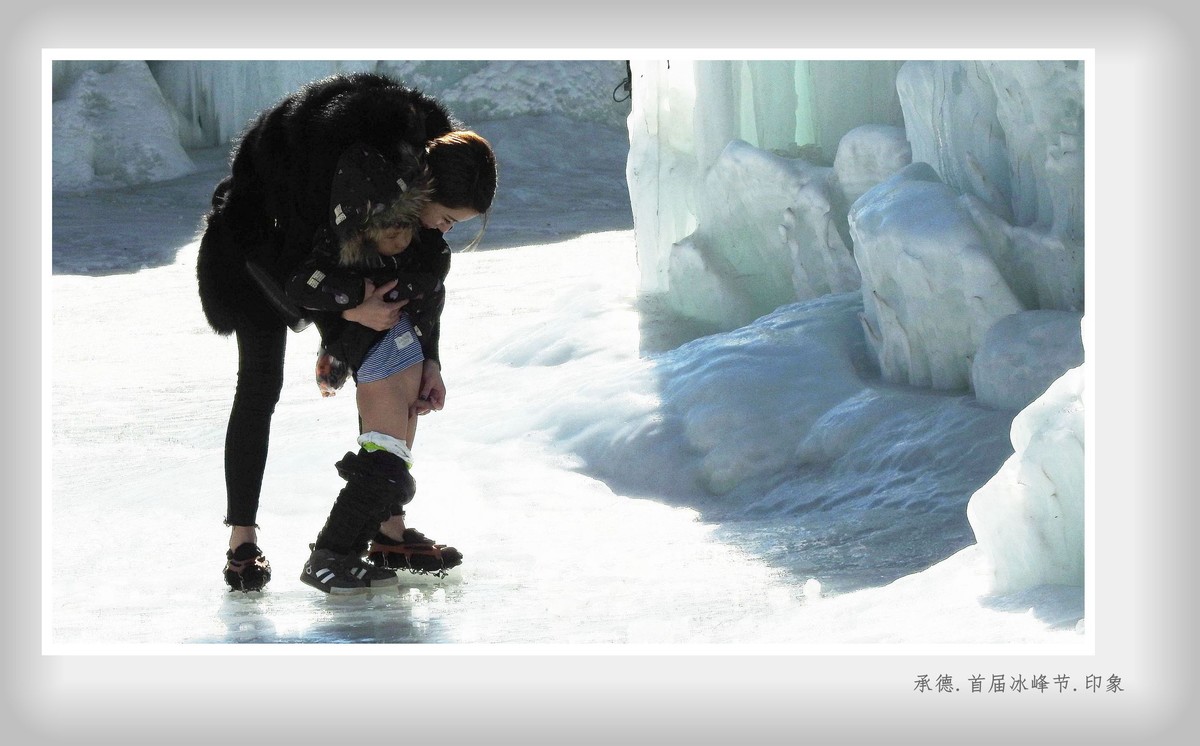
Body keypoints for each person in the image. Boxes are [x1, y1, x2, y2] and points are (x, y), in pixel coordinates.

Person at [196, 72, 496, 593]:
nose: (448, 230)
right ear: (425, 193)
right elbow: (301, 269)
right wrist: (350, 313)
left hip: (322, 263)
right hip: (256, 248)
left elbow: (420, 288)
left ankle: (387, 530)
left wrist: (432, 359)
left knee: (380, 349)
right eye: (447, 218)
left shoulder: (413, 184)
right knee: (259, 383)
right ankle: (241, 540)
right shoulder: (345, 169)